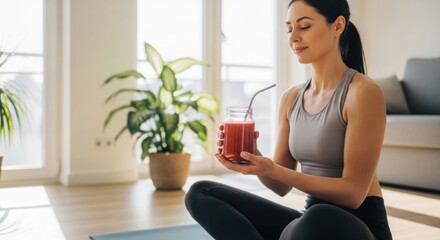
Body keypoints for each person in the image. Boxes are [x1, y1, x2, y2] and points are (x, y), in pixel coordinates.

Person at [185, 0, 393, 239]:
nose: (293, 37)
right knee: (201, 193)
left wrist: (274, 170)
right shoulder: (291, 98)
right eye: (289, 29)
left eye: (304, 26)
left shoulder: (363, 92)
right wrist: (255, 158)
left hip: (358, 226)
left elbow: (354, 194)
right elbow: (280, 185)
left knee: (314, 219)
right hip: (308, 226)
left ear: (337, 26)